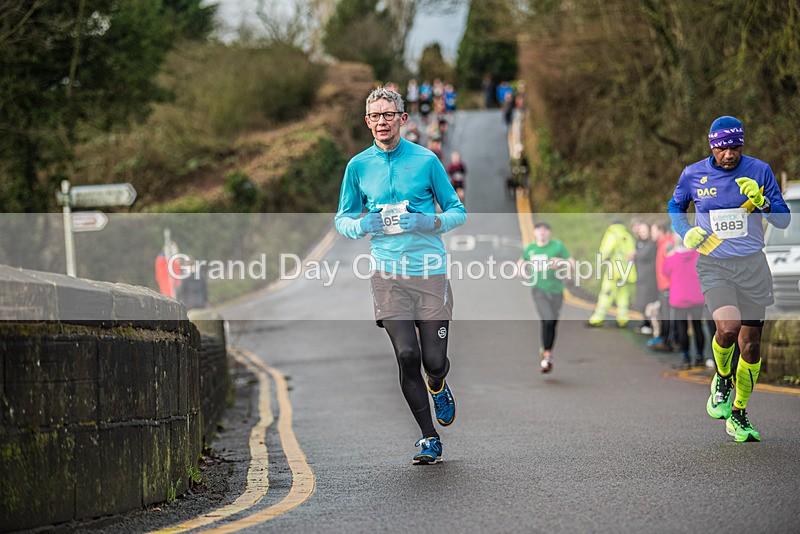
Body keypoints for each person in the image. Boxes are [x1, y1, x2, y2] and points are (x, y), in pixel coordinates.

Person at [334, 86, 467, 464]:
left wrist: (428, 220)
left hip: (429, 273)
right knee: (407, 355)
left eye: (388, 115)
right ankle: (429, 438)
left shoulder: (426, 161)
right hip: (387, 274)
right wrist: (363, 224)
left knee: (433, 362)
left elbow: (458, 210)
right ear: (367, 122)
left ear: (402, 119)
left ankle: (438, 384)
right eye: (375, 116)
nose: (381, 121)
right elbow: (341, 219)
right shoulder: (357, 167)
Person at [668, 115, 790, 442]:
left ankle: (739, 413)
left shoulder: (760, 170)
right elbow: (675, 206)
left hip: (753, 266)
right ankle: (722, 377)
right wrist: (686, 231)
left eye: (735, 147)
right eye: (722, 148)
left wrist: (763, 201)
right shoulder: (693, 174)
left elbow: (783, 220)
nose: (729, 154)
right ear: (712, 146)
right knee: (729, 327)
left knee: (750, 345)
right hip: (715, 264)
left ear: (742, 145)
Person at [518, 221, 574, 373]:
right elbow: (521, 262)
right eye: (539, 230)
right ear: (535, 233)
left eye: (545, 230)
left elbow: (572, 263)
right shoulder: (531, 249)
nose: (542, 232)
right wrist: (522, 270)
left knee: (552, 322)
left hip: (556, 290)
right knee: (547, 319)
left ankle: (546, 350)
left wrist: (560, 262)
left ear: (549, 233)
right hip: (538, 289)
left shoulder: (557, 246)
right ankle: (547, 356)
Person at [661, 233, 705, 368]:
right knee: (698, 326)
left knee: (682, 328)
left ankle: (685, 357)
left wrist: (670, 255)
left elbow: (665, 271)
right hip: (697, 297)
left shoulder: (672, 258)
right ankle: (699, 356)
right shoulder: (698, 255)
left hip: (679, 298)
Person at [587, 220, 637, 327]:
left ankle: (598, 318)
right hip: (625, 272)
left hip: (613, 271)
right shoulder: (628, 235)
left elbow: (605, 252)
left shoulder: (612, 234)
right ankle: (622, 319)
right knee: (623, 296)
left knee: (606, 294)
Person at [647, 221, 675, 351]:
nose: (651, 233)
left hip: (669, 287)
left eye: (653, 230)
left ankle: (668, 342)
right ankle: (664, 339)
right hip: (664, 286)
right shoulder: (662, 244)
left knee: (668, 315)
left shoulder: (668, 245)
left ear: (660, 231)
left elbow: (673, 266)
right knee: (664, 314)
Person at [632, 219, 658, 334]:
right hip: (640, 276)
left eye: (644, 230)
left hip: (649, 277)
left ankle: (649, 324)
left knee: (648, 302)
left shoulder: (652, 244)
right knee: (641, 302)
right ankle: (645, 322)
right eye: (640, 230)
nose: (642, 232)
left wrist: (635, 255)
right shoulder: (638, 242)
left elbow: (642, 255)